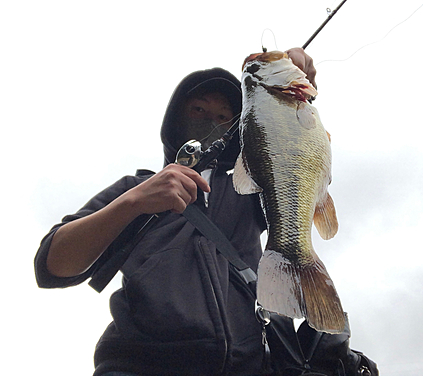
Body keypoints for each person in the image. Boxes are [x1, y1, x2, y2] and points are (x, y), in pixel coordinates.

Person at [35, 48, 318, 376]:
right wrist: (134, 202)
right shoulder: (136, 187)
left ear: (235, 127)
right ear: (176, 117)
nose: (209, 121)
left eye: (222, 116)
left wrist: (292, 91)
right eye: (198, 109)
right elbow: (52, 265)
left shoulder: (249, 182)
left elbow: (291, 165)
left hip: (252, 364)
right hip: (140, 364)